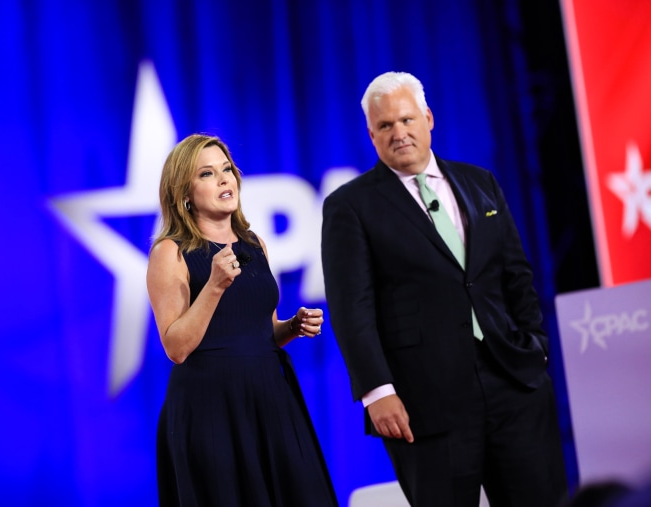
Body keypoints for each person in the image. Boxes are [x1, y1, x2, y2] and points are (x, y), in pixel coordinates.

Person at [321, 71, 568, 506]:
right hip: (423, 404)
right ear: (371, 136)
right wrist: (377, 392)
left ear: (428, 118)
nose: (399, 133)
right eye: (385, 126)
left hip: (513, 382)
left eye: (406, 120)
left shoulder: (480, 183)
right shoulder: (349, 207)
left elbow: (516, 275)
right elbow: (351, 308)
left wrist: (536, 347)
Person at [148, 134, 338, 507]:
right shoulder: (170, 252)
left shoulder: (254, 245)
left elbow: (260, 331)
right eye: (207, 173)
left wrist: (291, 327)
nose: (224, 180)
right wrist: (214, 286)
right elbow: (176, 347)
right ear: (184, 193)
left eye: (227, 169)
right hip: (210, 408)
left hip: (268, 397)